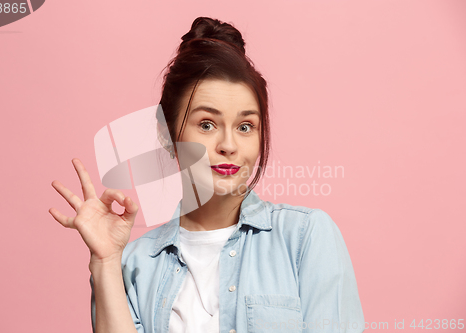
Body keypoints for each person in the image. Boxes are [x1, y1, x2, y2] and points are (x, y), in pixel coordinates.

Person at [49, 17, 365, 333]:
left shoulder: (305, 237)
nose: (228, 145)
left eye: (245, 127)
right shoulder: (134, 263)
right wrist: (105, 264)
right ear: (167, 134)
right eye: (206, 124)